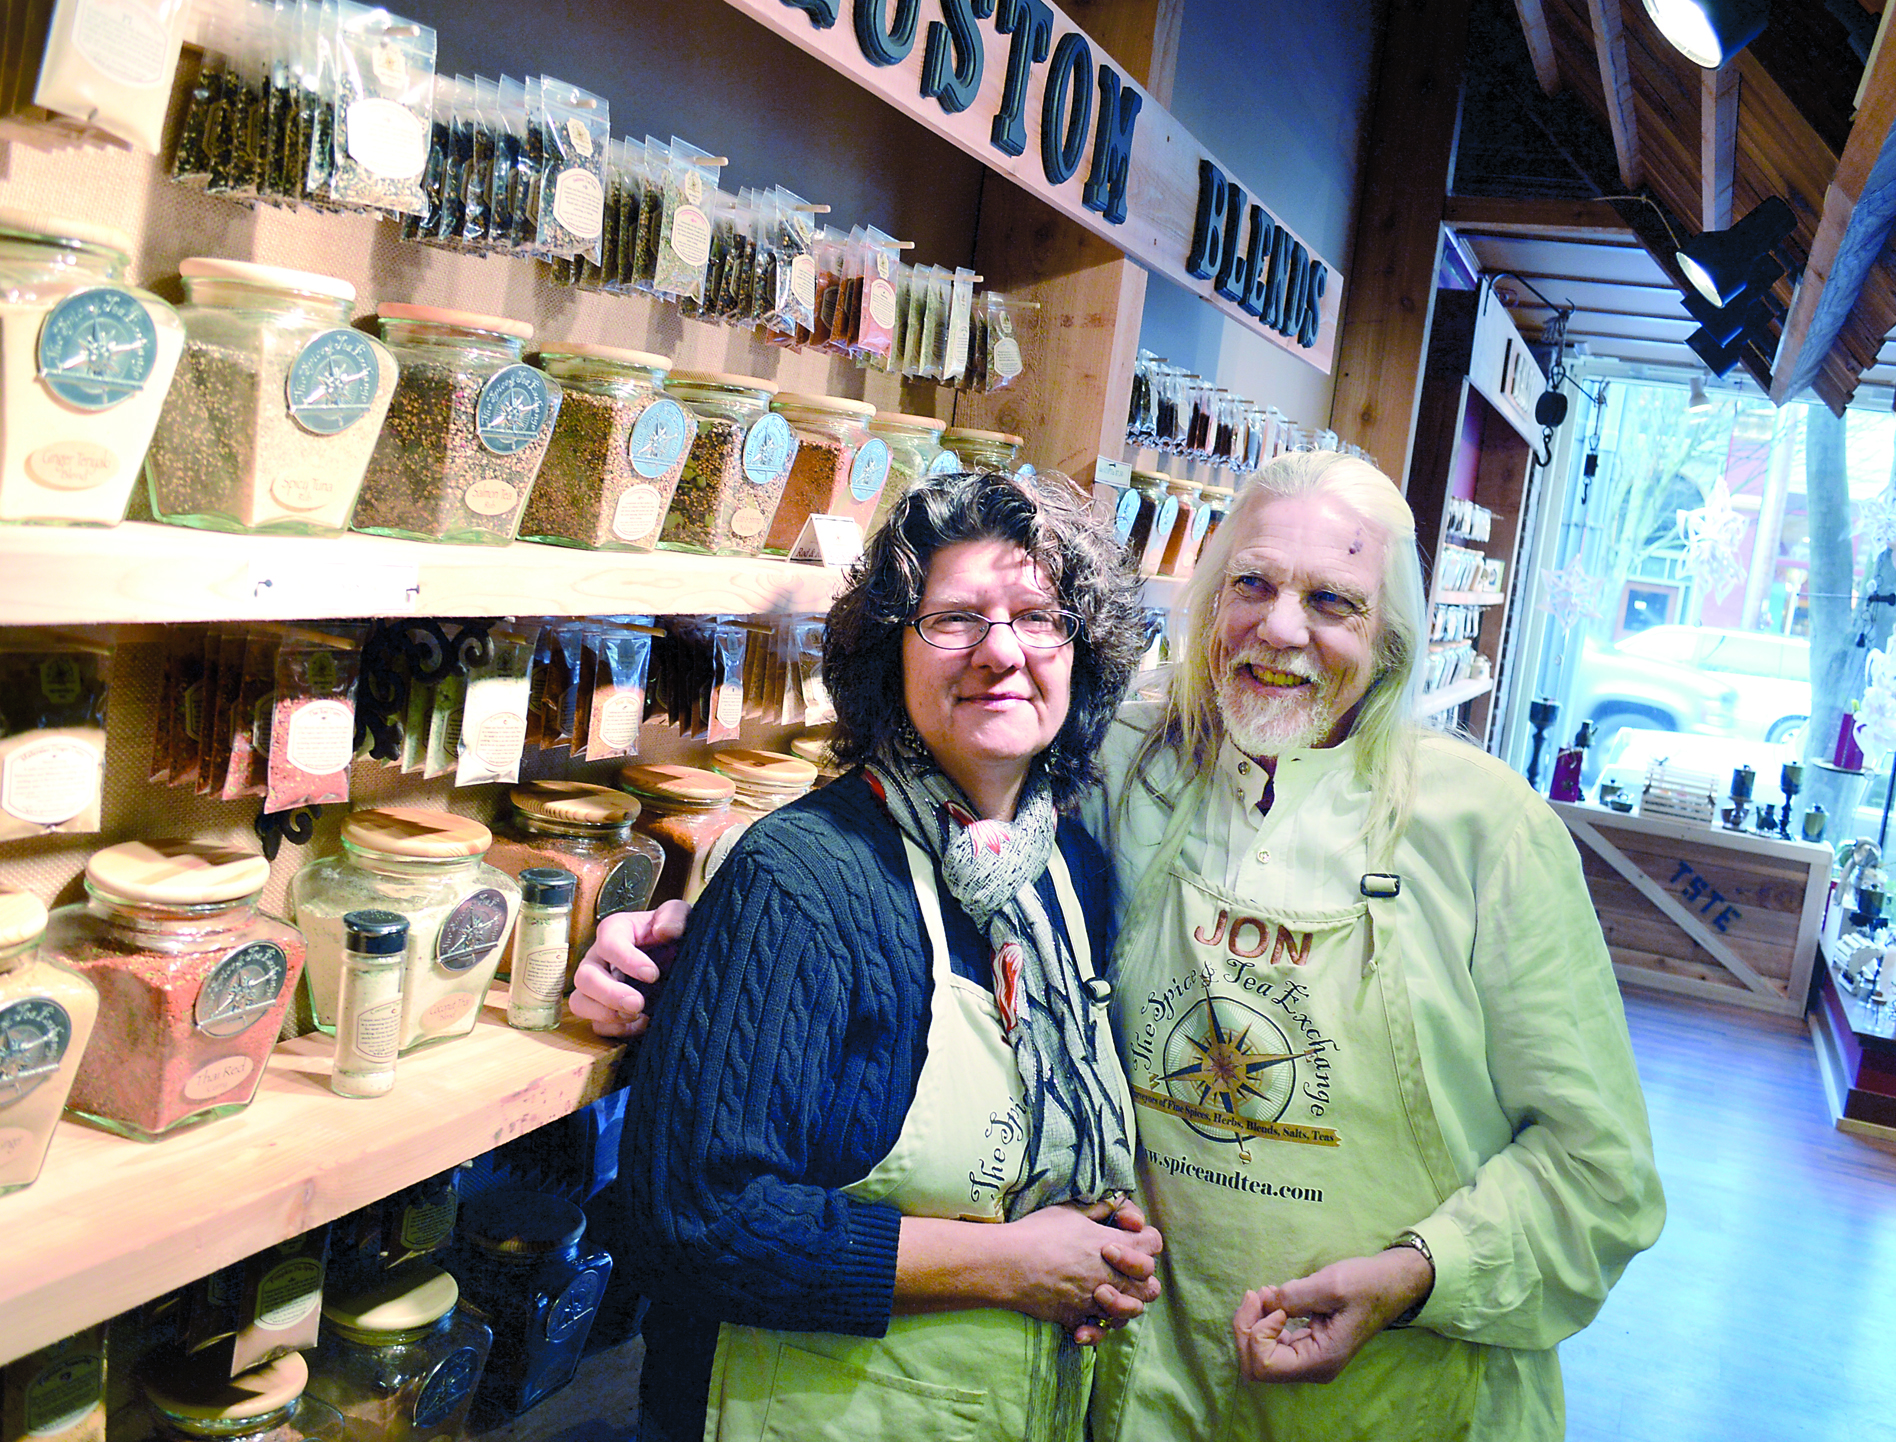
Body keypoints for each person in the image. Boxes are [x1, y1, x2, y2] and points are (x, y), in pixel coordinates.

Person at [582, 452, 1666, 1441]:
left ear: (1391, 639)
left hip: (1400, 1397)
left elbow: (1599, 1174)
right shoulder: (1133, 766)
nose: (1282, 630)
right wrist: (679, 932)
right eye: (1251, 585)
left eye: (1332, 600)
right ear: (1204, 602)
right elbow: (903, 832)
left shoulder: (1486, 830)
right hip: (1152, 1390)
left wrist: (1414, 1275)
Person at [610, 470, 1163, 1442]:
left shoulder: (1071, 868)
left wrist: (1099, 1245)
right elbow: (692, 1221)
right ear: (890, 654)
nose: (1001, 650)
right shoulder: (801, 877)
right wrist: (1013, 1265)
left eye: (1038, 617)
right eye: (954, 618)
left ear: (1081, 651)